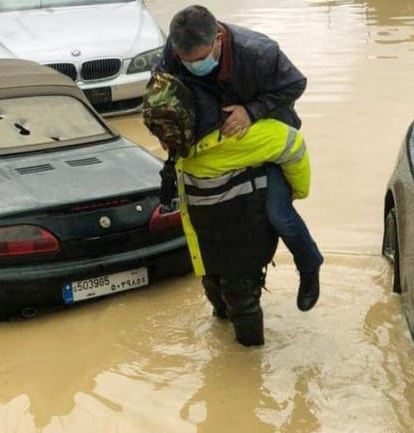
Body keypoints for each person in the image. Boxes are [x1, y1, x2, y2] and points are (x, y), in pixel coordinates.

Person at [155, 5, 323, 312]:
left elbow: (295, 84)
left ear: (218, 38)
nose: (192, 65)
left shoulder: (259, 53)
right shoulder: (174, 50)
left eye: (199, 59)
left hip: (262, 137)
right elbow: (161, 87)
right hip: (215, 142)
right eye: (186, 61)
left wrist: (253, 110)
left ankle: (309, 266)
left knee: (278, 214)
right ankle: (222, 291)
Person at [143, 72, 311, 347]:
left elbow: (292, 144)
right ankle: (226, 350)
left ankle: (249, 370)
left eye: (169, 135)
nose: (165, 142)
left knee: (242, 303)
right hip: (207, 241)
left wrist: (295, 192)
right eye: (159, 135)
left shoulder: (236, 135)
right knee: (216, 295)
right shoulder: (181, 147)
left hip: (242, 238)